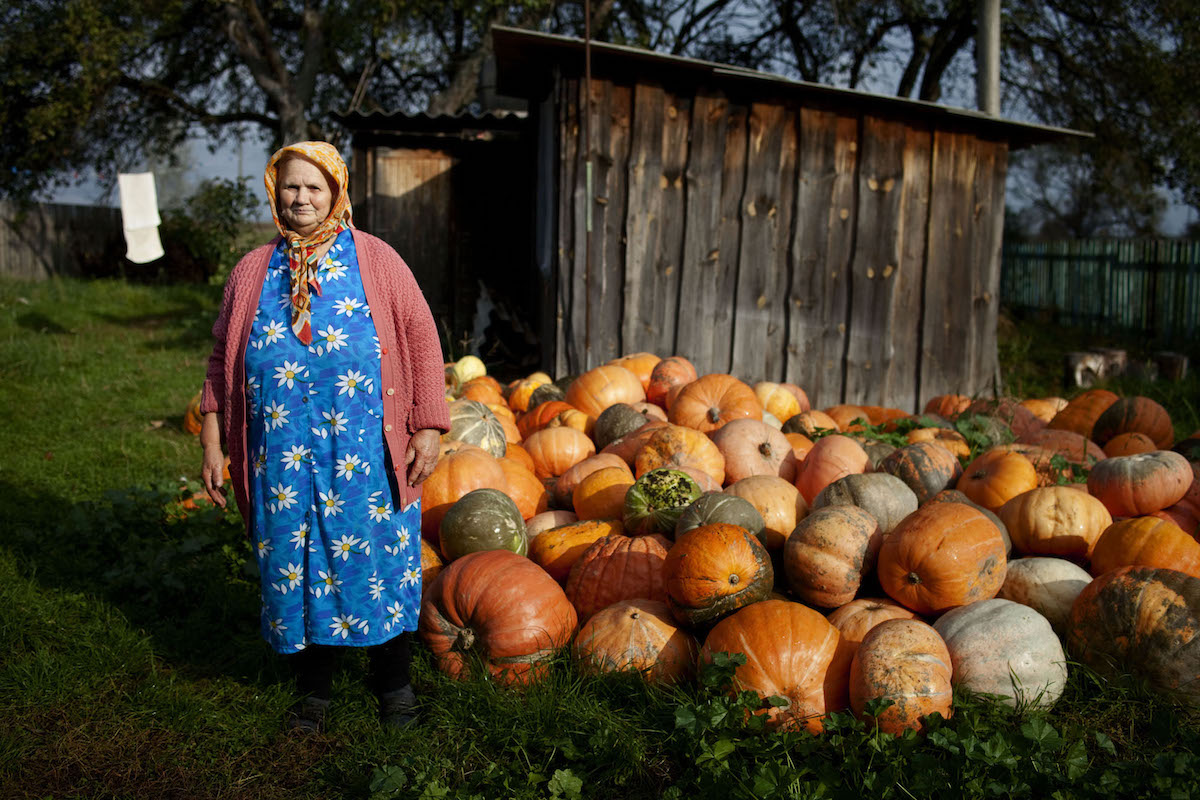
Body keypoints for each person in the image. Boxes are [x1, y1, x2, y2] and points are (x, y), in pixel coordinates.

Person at [198, 141, 449, 732]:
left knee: (379, 565)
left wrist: (429, 424)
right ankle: (314, 693)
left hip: (365, 454)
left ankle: (395, 687)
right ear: (274, 192)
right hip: (279, 459)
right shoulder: (253, 269)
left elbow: (420, 337)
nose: (301, 198)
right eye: (290, 186)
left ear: (336, 191)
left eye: (314, 187)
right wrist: (213, 439)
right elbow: (219, 361)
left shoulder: (377, 259)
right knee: (296, 563)